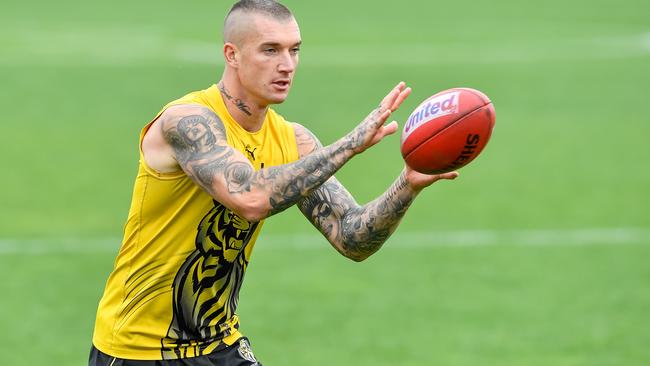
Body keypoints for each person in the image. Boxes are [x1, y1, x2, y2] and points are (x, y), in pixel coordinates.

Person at [89, 0, 458, 365]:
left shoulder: (292, 141)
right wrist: (349, 145)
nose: (287, 65)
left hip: (220, 343)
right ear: (231, 54)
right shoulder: (187, 122)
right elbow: (250, 196)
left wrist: (408, 184)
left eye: (294, 50)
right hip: (136, 349)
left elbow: (352, 237)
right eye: (270, 50)